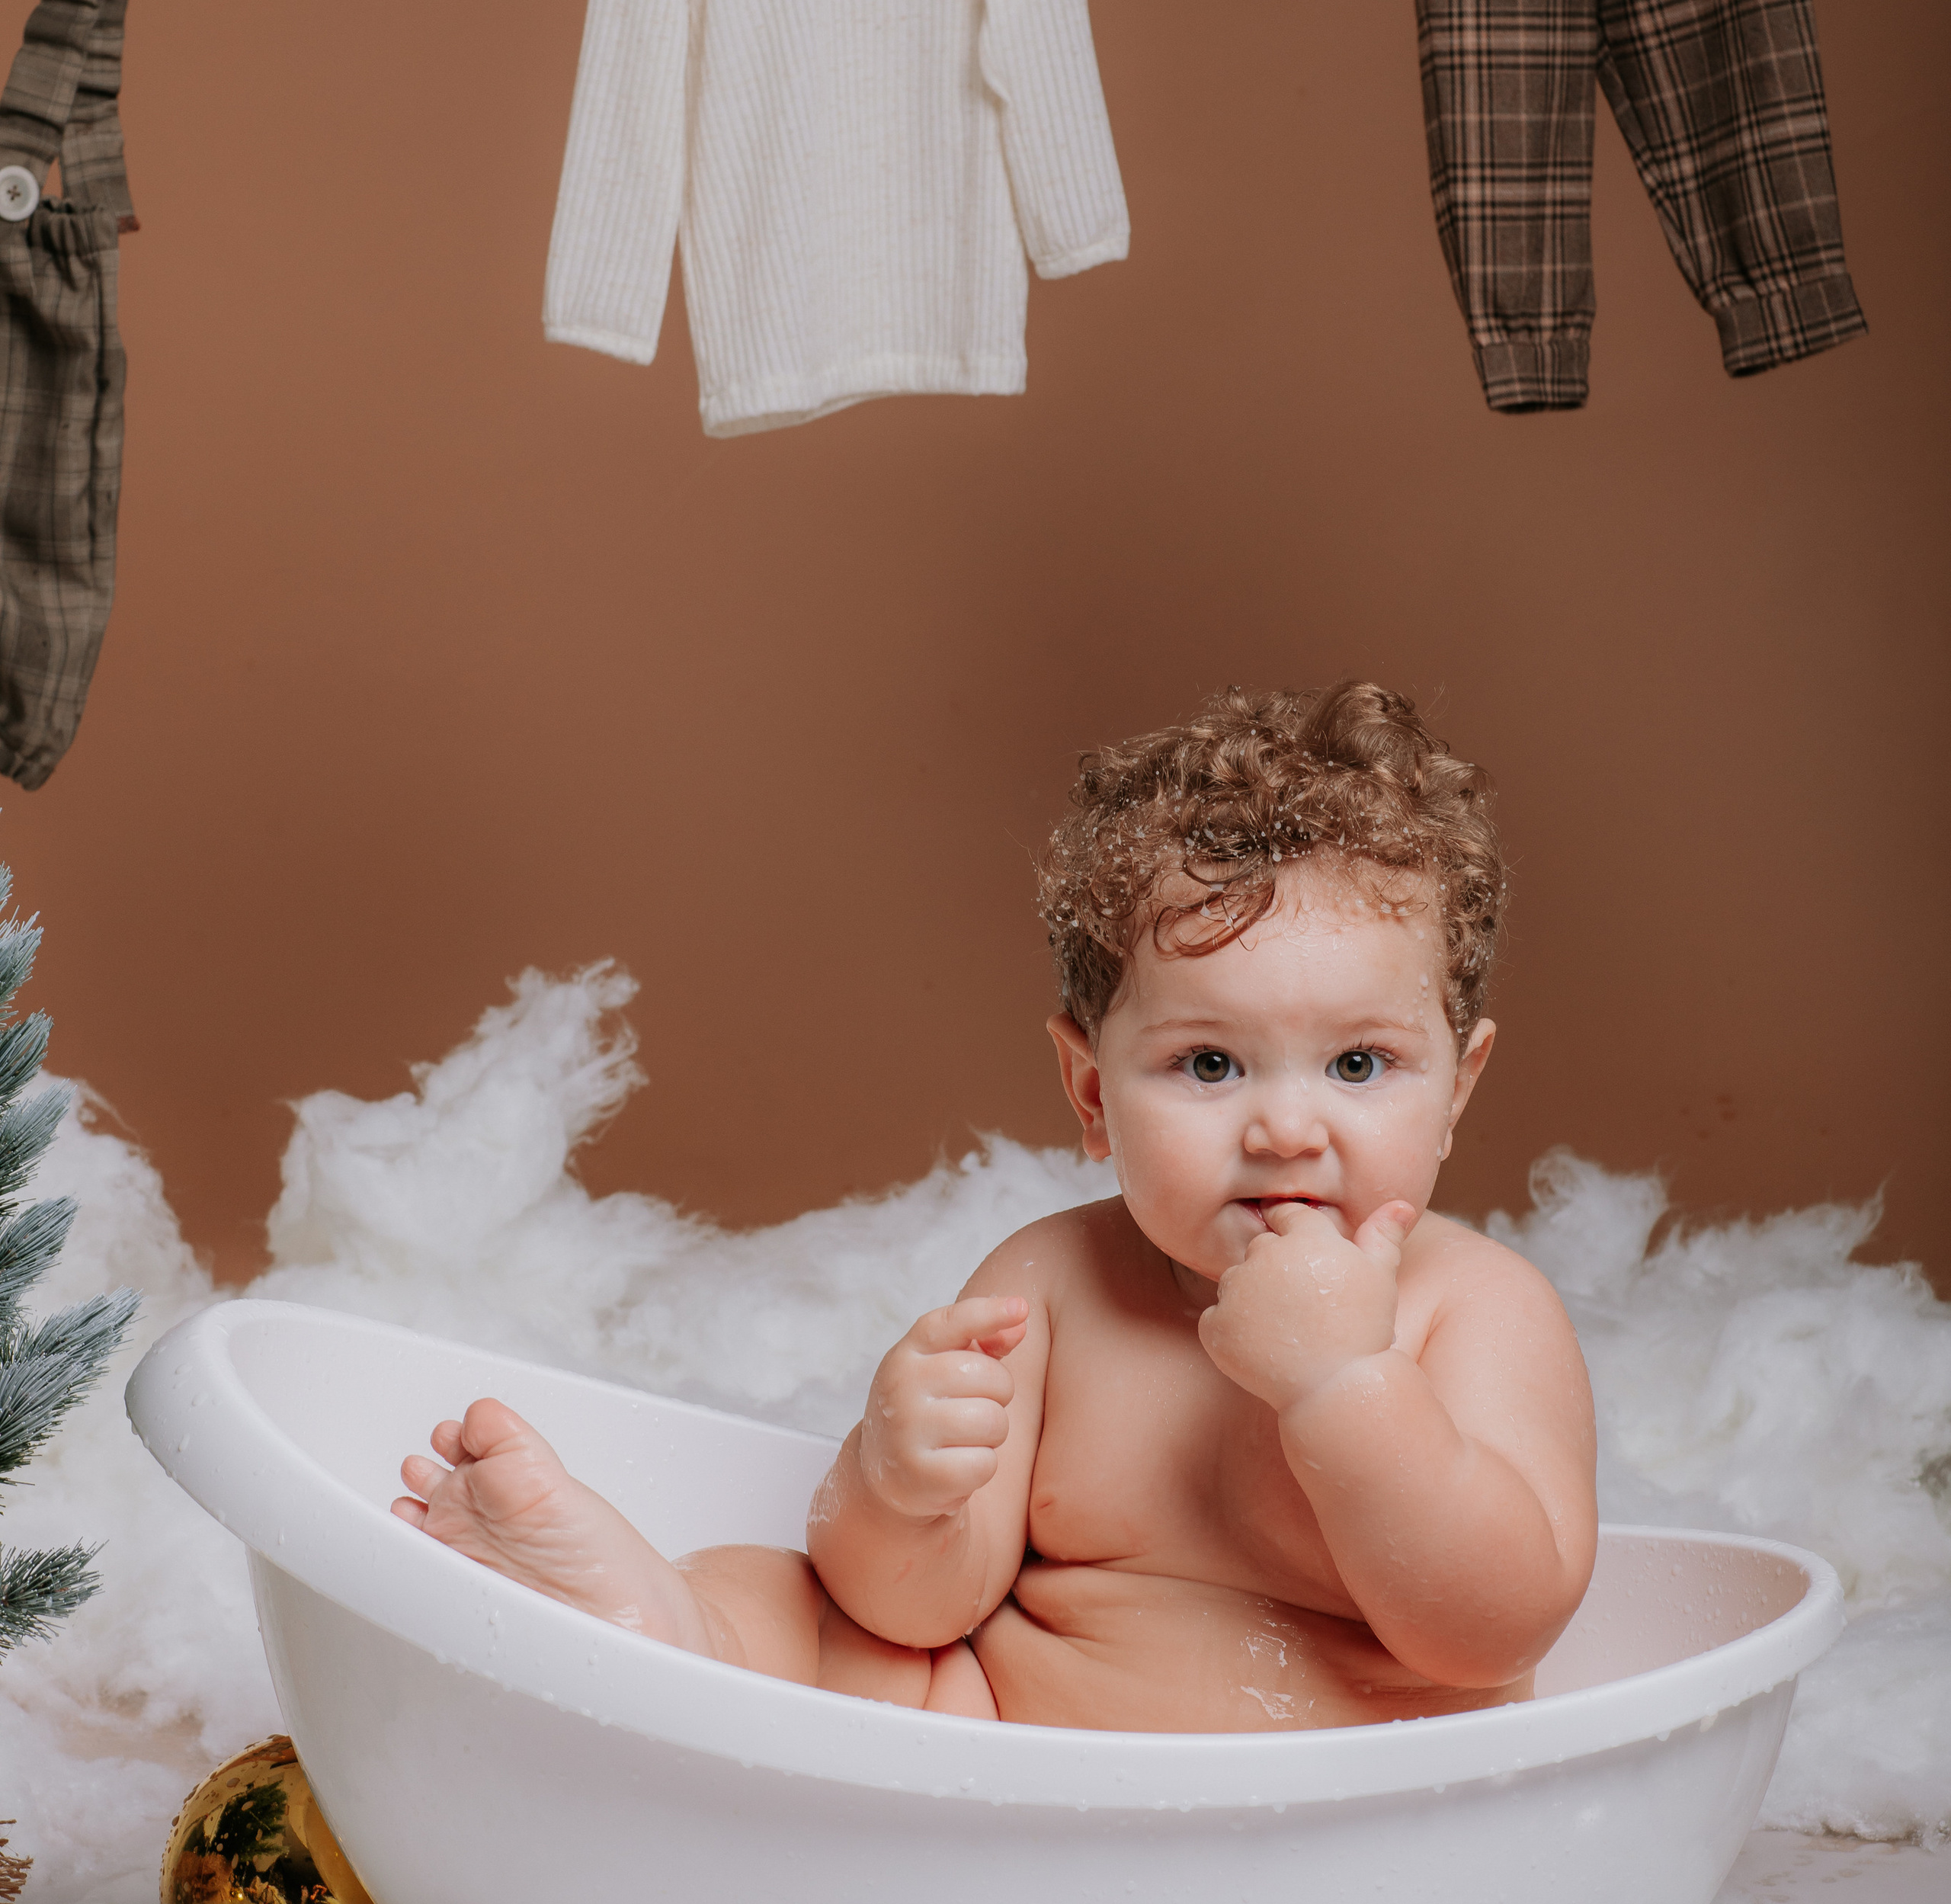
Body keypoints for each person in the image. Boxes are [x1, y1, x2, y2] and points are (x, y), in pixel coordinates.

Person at [394, 683, 1597, 1732]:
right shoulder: (1051, 1286)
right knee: (799, 1600)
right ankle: (667, 1629)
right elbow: (921, 1605)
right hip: (1011, 1766)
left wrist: (1351, 1388)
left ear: (1457, 1088)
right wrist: (897, 1484)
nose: (1286, 1128)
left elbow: (1494, 1632)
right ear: (1090, 1090)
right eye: (1210, 1066)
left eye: (1358, 1066)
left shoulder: (1472, 1311)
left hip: (1350, 1792)